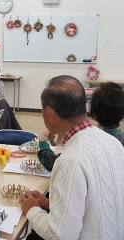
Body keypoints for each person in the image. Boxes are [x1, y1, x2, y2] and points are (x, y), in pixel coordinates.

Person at [19, 75, 124, 239]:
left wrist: (31, 209)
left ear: (50, 113)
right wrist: (49, 204)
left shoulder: (71, 160)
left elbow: (60, 235)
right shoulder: (112, 142)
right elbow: (93, 205)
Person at [38, 81, 124, 172]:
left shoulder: (90, 141)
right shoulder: (118, 140)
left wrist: (43, 141)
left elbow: (54, 163)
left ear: (92, 112)